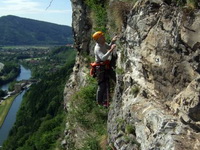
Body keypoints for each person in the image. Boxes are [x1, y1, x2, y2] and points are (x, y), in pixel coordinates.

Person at [92, 31, 117, 106]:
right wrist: (111, 50)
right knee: (102, 84)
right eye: (102, 36)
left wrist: (112, 41)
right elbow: (103, 58)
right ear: (98, 39)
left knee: (106, 83)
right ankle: (100, 102)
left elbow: (109, 47)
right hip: (100, 68)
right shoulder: (97, 48)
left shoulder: (103, 43)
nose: (104, 37)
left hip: (103, 66)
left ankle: (106, 100)